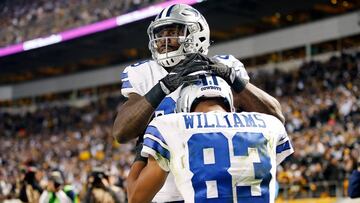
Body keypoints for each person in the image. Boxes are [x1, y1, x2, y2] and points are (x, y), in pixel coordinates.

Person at [112, 4, 284, 202]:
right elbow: (121, 132)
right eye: (159, 34)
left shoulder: (224, 68)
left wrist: (233, 78)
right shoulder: (147, 73)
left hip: (211, 185)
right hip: (167, 193)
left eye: (172, 32)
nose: (163, 41)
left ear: (197, 35)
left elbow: (275, 118)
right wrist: (163, 87)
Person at [128, 75, 294, 203]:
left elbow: (136, 198)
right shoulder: (270, 123)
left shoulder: (168, 125)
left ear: (184, 103)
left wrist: (141, 150)